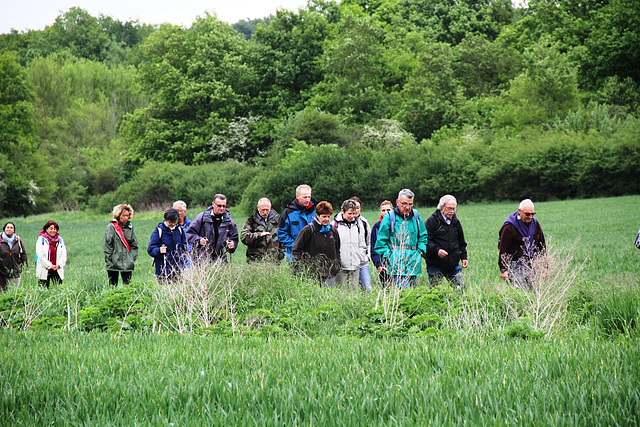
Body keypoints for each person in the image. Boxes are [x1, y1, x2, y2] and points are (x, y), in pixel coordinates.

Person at [374, 189, 428, 289]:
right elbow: (380, 242)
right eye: (404, 204)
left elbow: (423, 236)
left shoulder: (416, 217)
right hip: (396, 266)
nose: (407, 207)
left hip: (413, 265)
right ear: (397, 202)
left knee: (413, 295)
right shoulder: (389, 218)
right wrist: (389, 257)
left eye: (410, 204)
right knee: (405, 292)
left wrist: (420, 252)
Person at [498, 199, 546, 291]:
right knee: (520, 294)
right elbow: (504, 249)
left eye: (532, 214)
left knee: (535, 293)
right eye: (527, 214)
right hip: (515, 266)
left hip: (532, 264)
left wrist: (545, 267)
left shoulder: (535, 224)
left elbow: (542, 246)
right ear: (519, 211)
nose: (530, 216)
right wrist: (503, 269)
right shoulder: (509, 227)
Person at [424, 195, 468, 291]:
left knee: (461, 290)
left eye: (453, 209)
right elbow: (425, 241)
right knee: (435, 293)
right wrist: (437, 251)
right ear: (442, 207)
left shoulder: (456, 222)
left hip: (453, 264)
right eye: (449, 209)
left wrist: (464, 257)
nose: (451, 211)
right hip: (435, 264)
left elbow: (461, 242)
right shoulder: (432, 221)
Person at [292, 201, 341, 286]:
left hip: (330, 274)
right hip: (312, 276)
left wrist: (337, 265)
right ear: (317, 216)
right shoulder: (308, 230)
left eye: (328, 216)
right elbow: (296, 250)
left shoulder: (333, 230)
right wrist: (306, 267)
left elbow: (337, 249)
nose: (326, 219)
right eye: (324, 216)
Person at [186, 194, 238, 264]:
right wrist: (199, 241)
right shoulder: (202, 218)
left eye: (224, 206)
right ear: (213, 204)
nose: (222, 208)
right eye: (219, 205)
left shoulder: (228, 221)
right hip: (202, 259)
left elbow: (234, 237)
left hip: (220, 259)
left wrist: (232, 245)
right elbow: (190, 233)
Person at [333, 199, 371, 291]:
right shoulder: (334, 225)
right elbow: (333, 246)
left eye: (353, 214)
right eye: (349, 214)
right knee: (342, 292)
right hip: (341, 267)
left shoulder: (358, 225)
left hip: (355, 266)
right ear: (343, 211)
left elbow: (362, 244)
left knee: (353, 292)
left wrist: (360, 258)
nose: (352, 216)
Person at [148, 208, 189, 282]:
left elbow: (184, 246)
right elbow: (151, 249)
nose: (173, 224)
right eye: (171, 222)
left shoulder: (180, 230)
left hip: (179, 270)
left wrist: (184, 259)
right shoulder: (159, 231)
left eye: (175, 222)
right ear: (165, 219)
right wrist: (159, 250)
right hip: (163, 271)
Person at [278, 184, 316, 261]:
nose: (308, 200)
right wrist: (296, 246)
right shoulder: (287, 213)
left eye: (309, 197)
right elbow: (282, 234)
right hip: (294, 257)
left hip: (313, 256)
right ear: (297, 196)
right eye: (305, 197)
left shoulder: (315, 211)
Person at [103, 204, 139, 286]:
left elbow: (134, 245)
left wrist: (131, 258)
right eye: (124, 216)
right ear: (118, 215)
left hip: (127, 263)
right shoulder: (111, 228)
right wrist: (110, 260)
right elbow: (107, 246)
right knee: (112, 286)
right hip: (113, 263)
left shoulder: (130, 228)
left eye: (128, 215)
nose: (126, 218)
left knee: (128, 286)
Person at [240, 198, 283, 263]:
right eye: (263, 210)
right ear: (258, 208)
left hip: (274, 262)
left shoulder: (278, 220)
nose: (265, 212)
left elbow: (284, 236)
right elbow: (243, 237)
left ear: (270, 208)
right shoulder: (251, 221)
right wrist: (259, 235)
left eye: (267, 210)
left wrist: (281, 253)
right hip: (255, 261)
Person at [349, 196, 372, 292]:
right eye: (353, 207)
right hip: (348, 262)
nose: (355, 210)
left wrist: (367, 256)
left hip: (362, 262)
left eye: (357, 207)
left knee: (367, 288)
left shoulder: (364, 223)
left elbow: (369, 241)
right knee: (349, 289)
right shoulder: (339, 222)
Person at [35, 220, 67, 288]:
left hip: (57, 269)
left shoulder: (60, 240)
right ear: (46, 229)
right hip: (44, 269)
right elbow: (40, 256)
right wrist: (50, 265)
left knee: (59, 289)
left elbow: (63, 255)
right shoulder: (41, 240)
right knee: (43, 290)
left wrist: (58, 265)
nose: (53, 230)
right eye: (51, 228)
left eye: (55, 229)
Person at [371, 200, 393, 288]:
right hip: (383, 262)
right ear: (380, 212)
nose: (386, 212)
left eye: (388, 210)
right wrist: (377, 263)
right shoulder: (376, 227)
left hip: (397, 261)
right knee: (386, 288)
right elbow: (373, 246)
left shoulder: (398, 224)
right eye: (383, 210)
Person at [0, 222, 28, 290]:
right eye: (7, 227)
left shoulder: (18, 240)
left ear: (14, 230)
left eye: (11, 228)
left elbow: (23, 254)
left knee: (14, 291)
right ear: (4, 229)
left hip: (15, 270)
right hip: (1, 271)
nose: (9, 229)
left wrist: (26, 268)